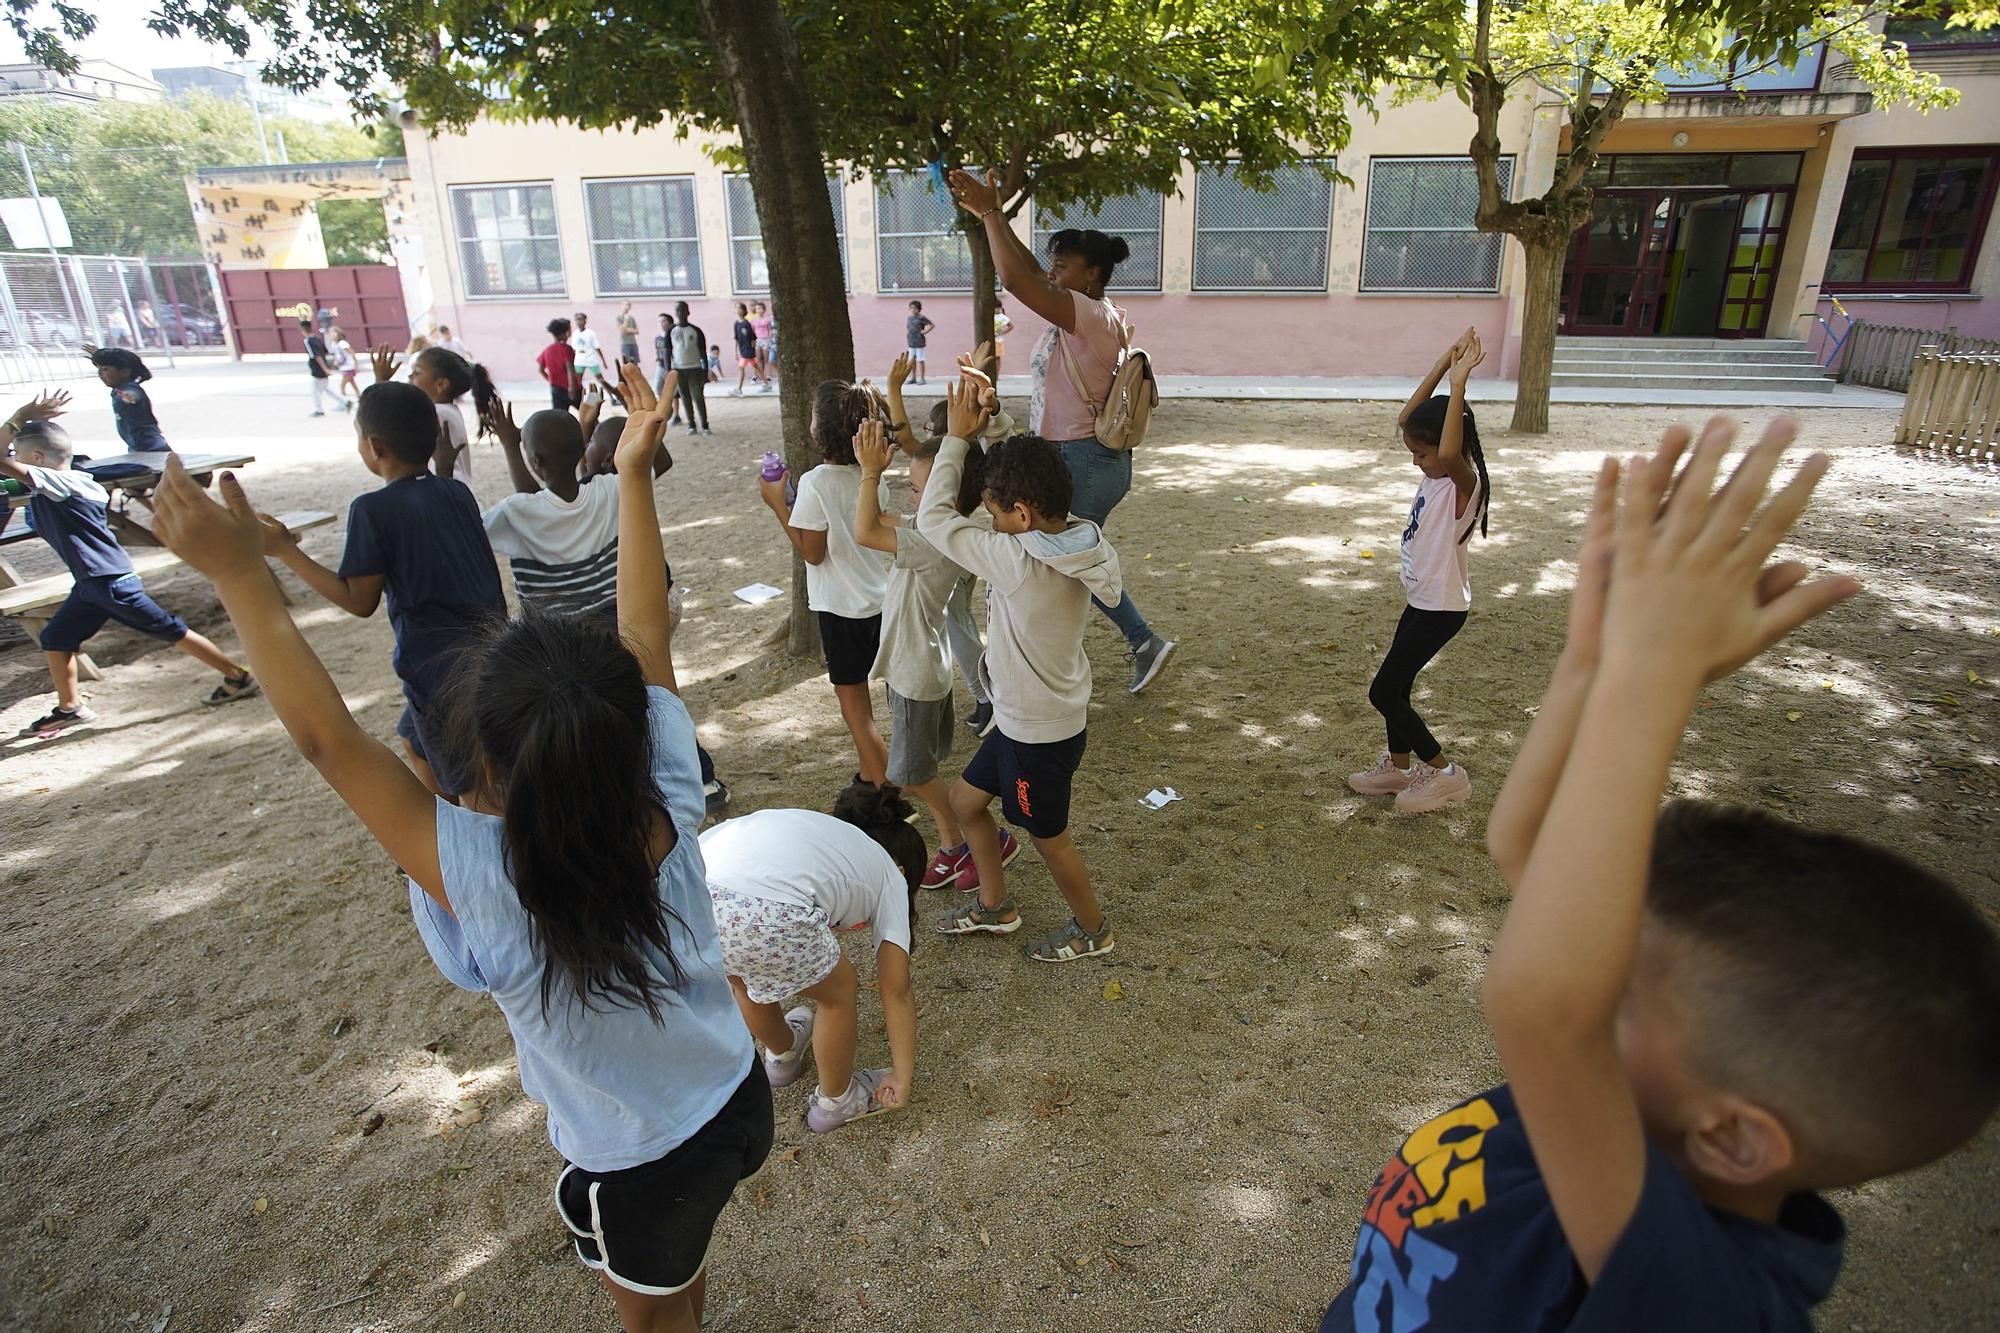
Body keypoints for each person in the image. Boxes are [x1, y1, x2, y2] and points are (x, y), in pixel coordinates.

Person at [1322, 417, 2000, 1331]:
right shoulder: (1644, 1106)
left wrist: (1655, 676)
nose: (1590, 957)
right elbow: (1527, 841)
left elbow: (1542, 1005)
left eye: (1623, 983)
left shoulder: (1702, 1299)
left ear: (1731, 1136)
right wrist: (1596, 656)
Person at [147, 367, 768, 1333]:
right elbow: (643, 630)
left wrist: (237, 575)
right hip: (730, 1092)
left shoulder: (486, 875)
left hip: (641, 1156)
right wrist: (633, 476)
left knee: (657, 1317)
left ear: (486, 758)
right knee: (675, 1276)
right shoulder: (669, 787)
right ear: (630, 730)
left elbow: (329, 742)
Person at [948, 169, 1176, 695]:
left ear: (1093, 273)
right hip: (1077, 457)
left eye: (1064, 262)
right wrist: (997, 217)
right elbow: (1028, 269)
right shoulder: (1090, 312)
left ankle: (1134, 644)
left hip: (1084, 460)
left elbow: (1017, 280)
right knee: (1063, 558)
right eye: (1052, 258)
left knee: (1063, 558)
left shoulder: (1091, 314)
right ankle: (1123, 646)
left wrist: (989, 213)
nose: (1053, 270)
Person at [919, 378, 1123, 963]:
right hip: (1021, 719)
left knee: (1047, 836)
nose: (990, 523)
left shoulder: (1015, 560)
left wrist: (957, 439)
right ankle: (996, 905)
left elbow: (934, 522)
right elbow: (1032, 468)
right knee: (964, 803)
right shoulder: (1074, 535)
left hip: (1039, 735)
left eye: (994, 513)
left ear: (1023, 512)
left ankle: (1092, 930)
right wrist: (996, 425)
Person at [257, 380, 505, 799]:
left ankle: (459, 846)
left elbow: (358, 600)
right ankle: (439, 829)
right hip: (493, 653)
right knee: (414, 739)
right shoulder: (456, 492)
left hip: (438, 671)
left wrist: (285, 551)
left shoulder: (372, 510)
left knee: (476, 789)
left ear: (373, 446)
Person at [0, 394, 257, 731]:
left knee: (172, 629)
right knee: (57, 637)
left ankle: (238, 676)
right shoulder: (64, 483)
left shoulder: (62, 483)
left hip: (109, 582)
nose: (12, 462)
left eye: (17, 457)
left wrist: (19, 418)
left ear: (36, 458)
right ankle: (70, 707)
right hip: (90, 583)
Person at [850, 410, 1019, 894]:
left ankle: (969, 838)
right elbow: (878, 518)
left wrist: (868, 474)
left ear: (946, 498)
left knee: (910, 773)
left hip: (916, 672)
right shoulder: (941, 531)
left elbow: (865, 531)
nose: (912, 498)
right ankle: (954, 841)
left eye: (920, 491)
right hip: (917, 666)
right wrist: (876, 477)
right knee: (917, 768)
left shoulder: (932, 543)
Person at [703, 780, 925, 1132]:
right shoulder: (889, 875)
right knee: (838, 992)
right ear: (903, 871)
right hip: (761, 908)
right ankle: (836, 1100)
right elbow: (896, 991)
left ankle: (784, 1055)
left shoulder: (825, 833)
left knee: (743, 980)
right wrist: (902, 1075)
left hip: (691, 887)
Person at [1347, 328, 1491, 814]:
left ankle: (1445, 773)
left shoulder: (1461, 481)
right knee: (1398, 687)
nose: (1419, 462)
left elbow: (1448, 452)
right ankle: (1398, 766)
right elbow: (1408, 418)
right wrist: (1440, 365)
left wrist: (1461, 383)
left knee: (1384, 691)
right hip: (1421, 602)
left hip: (1442, 608)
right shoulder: (1435, 470)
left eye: (1422, 454)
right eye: (1415, 454)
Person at [757, 380, 891, 788]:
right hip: (879, 599)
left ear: (820, 432)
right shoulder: (872, 476)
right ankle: (872, 771)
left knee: (854, 706)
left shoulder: (816, 482)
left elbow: (812, 553)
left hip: (842, 608)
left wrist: (778, 505)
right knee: (879, 701)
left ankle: (881, 782)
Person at [386, 343, 500, 488]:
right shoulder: (448, 410)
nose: (410, 375)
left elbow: (388, 424)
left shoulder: (436, 414)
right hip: (456, 488)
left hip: (446, 490)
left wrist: (381, 382)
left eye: (417, 372)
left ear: (440, 384)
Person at [87, 347, 169, 453]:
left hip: (151, 448)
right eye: (99, 369)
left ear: (125, 372)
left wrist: (130, 397)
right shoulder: (118, 388)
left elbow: (135, 395)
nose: (100, 374)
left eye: (105, 369)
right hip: (138, 447)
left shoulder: (130, 388)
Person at [668, 302, 710, 437]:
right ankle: (691, 424)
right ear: (675, 313)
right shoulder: (671, 331)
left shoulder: (696, 330)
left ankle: (704, 425)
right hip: (679, 370)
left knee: (698, 396)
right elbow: (667, 351)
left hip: (695, 368)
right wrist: (668, 370)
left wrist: (705, 370)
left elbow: (703, 351)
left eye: (683, 310)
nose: (680, 313)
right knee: (685, 397)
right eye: (678, 310)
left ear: (688, 312)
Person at [538, 318, 581, 412]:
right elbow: (570, 368)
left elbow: (540, 370)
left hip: (556, 389)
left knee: (560, 417)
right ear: (565, 333)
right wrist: (572, 388)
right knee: (587, 413)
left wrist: (551, 380)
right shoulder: (567, 349)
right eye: (569, 330)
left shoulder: (547, 350)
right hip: (572, 389)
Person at [301, 318, 338, 417]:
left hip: (317, 369)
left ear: (303, 330)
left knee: (315, 391)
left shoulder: (308, 341)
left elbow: (316, 356)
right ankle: (345, 402)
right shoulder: (317, 339)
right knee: (326, 388)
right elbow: (325, 352)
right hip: (323, 367)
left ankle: (318, 409)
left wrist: (324, 368)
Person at [729, 303, 763, 397]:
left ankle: (739, 389)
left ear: (743, 310)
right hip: (742, 350)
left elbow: (753, 338)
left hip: (748, 351)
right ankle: (766, 384)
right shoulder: (736, 324)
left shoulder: (747, 324)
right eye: (735, 308)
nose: (737, 309)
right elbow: (736, 338)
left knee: (741, 367)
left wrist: (753, 349)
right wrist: (735, 351)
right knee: (756, 367)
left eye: (738, 308)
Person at [572, 312, 610, 395]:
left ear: (585, 321)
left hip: (590, 359)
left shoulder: (590, 333)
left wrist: (603, 361)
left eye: (581, 320)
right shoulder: (575, 334)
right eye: (577, 320)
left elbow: (597, 347)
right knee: (578, 381)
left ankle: (611, 396)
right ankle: (579, 397)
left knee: (600, 379)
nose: (579, 322)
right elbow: (573, 349)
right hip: (579, 360)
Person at [904, 301, 935, 385]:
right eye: (911, 308)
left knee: (920, 359)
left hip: (919, 341)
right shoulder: (909, 318)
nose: (913, 310)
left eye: (915, 308)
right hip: (911, 341)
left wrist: (925, 332)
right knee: (911, 360)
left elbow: (931, 325)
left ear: (919, 309)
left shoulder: (921, 318)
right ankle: (913, 377)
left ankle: (922, 378)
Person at [331, 328, 362, 403]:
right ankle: (358, 395)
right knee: (351, 381)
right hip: (342, 366)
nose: (332, 335)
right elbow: (336, 354)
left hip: (348, 365)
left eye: (334, 333)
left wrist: (355, 363)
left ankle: (343, 400)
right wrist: (336, 361)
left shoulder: (342, 343)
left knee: (343, 384)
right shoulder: (334, 344)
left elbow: (351, 352)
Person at [750, 301, 774, 392]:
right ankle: (755, 375)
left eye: (760, 308)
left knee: (766, 359)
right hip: (758, 340)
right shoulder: (753, 320)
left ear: (763, 310)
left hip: (765, 339)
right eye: (756, 308)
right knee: (757, 359)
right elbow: (752, 331)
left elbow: (770, 329)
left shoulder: (767, 320)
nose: (758, 310)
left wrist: (769, 339)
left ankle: (767, 375)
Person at [616, 299, 641, 369]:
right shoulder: (619, 318)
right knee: (626, 363)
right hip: (625, 343)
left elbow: (637, 331)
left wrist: (628, 330)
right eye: (624, 305)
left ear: (630, 307)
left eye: (627, 305)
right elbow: (622, 331)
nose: (625, 306)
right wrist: (626, 320)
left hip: (633, 342)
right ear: (621, 306)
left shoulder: (632, 318)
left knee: (635, 362)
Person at [992, 302, 1013, 380]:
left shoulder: (1003, 317)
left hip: (998, 340)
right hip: (990, 340)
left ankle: (996, 375)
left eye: (998, 308)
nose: (996, 309)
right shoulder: (989, 316)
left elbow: (1011, 326)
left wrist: (1002, 332)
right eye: (995, 308)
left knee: (997, 358)